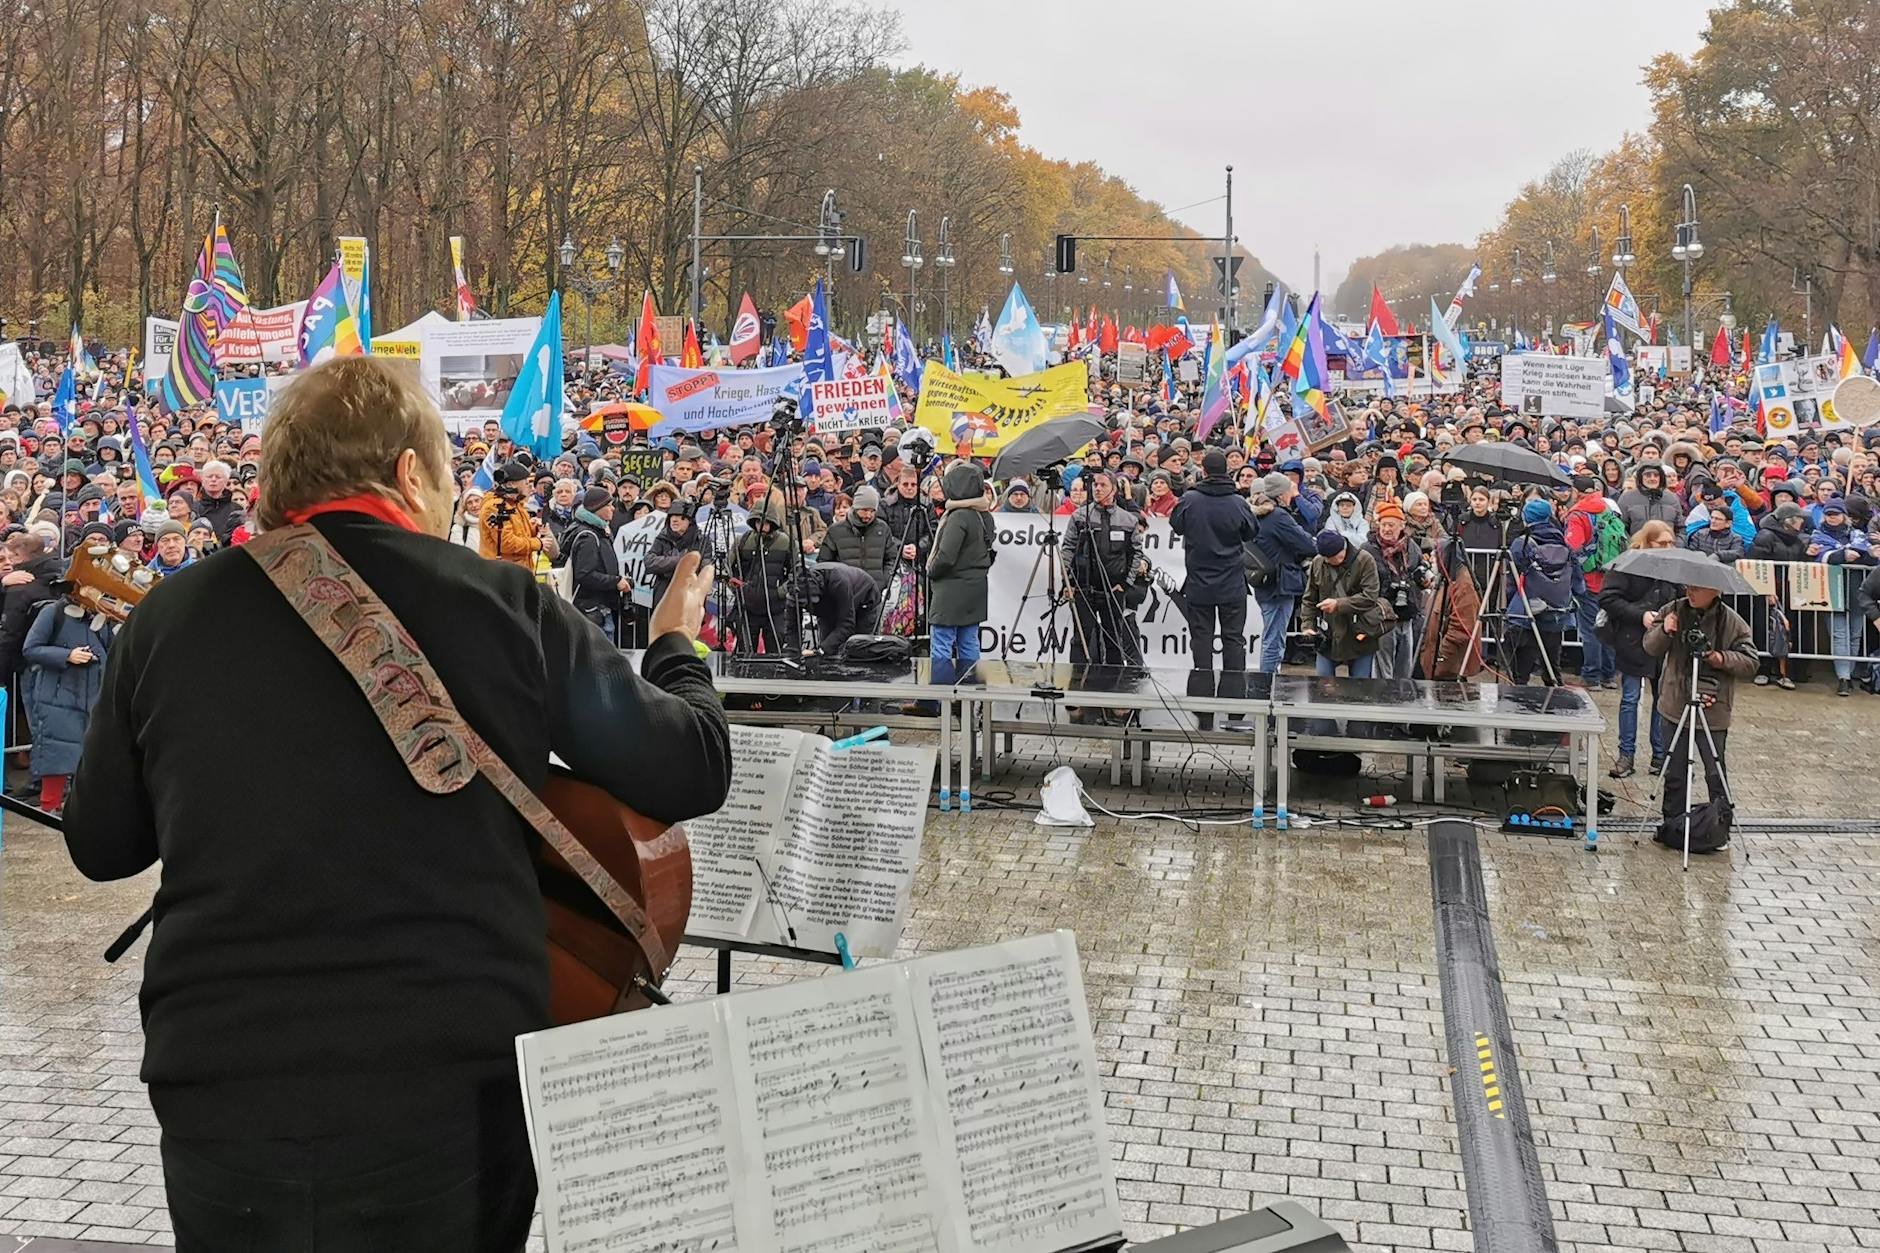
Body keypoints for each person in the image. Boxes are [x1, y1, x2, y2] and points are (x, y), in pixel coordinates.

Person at [62, 357, 732, 1253]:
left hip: (223, 1081)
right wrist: (676, 643)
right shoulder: (505, 605)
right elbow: (691, 767)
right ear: (410, 474)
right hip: (450, 1088)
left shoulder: (166, 618)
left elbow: (103, 843)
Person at [1641, 579, 1758, 849]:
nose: (1690, 592)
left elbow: (1751, 662)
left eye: (1698, 587)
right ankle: (1673, 825)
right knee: (1675, 770)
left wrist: (1718, 658)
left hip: (1713, 708)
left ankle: (1720, 828)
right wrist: (1665, 630)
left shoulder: (1733, 622)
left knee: (1715, 770)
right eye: (1688, 587)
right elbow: (1650, 647)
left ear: (1715, 590)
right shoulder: (1672, 609)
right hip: (1674, 705)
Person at [1170, 449, 1257, 719]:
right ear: (1227, 471)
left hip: (1199, 583)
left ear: (1204, 471)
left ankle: (1203, 706)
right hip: (1232, 583)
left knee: (1202, 640)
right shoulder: (1237, 502)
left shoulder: (1190, 499)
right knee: (1233, 641)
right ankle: (1234, 707)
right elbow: (1252, 531)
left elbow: (1176, 525)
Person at [20, 584, 113, 812]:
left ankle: (85, 811)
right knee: (56, 756)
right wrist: (67, 655)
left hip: (93, 696)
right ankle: (49, 807)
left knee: (92, 758)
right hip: (57, 696)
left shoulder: (103, 616)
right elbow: (31, 649)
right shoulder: (53, 612)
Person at [1599, 520, 1678, 778]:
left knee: (1662, 701)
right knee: (1630, 699)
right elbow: (1608, 598)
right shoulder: (1627, 564)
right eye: (1661, 543)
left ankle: (1659, 755)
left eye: (1670, 543)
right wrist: (1641, 614)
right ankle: (1626, 755)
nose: (1667, 547)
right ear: (1648, 541)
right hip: (1633, 639)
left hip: (1664, 640)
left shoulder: (1674, 567)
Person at [1060, 470, 1141, 669]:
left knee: (1113, 639)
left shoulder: (1128, 520)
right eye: (1095, 485)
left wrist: (1125, 584)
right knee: (1082, 638)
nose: (1097, 488)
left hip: (1113, 590)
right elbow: (1067, 550)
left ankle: (1113, 688)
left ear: (1114, 489)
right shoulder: (1080, 516)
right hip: (1083, 589)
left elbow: (1135, 555)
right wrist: (1067, 583)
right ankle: (1079, 687)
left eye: (1103, 485)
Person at [927, 461, 995, 680]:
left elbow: (946, 556)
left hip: (951, 589)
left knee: (942, 645)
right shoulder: (985, 515)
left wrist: (931, 570)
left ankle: (939, 701)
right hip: (975, 587)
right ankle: (968, 698)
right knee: (969, 643)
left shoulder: (958, 516)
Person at [1247, 471, 1318, 674]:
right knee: (1274, 639)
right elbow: (1306, 544)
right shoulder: (1278, 516)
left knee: (1271, 634)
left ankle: (1268, 679)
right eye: (1289, 489)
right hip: (1279, 583)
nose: (1291, 493)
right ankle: (1267, 686)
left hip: (1265, 582)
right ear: (1280, 493)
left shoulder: (1257, 513)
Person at [1504, 497, 1581, 685]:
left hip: (1525, 611)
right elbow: (1577, 580)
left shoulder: (1522, 543)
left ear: (1525, 517)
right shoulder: (1564, 543)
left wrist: (1510, 601)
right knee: (1552, 667)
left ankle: (1517, 706)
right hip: (1556, 613)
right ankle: (1553, 704)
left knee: (1520, 672)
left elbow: (1512, 579)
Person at [1808, 497, 1875, 696]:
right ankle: (1843, 677)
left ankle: (1850, 670)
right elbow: (1823, 557)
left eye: (1835, 514)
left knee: (1855, 632)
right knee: (1839, 633)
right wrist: (1842, 555)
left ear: (1844, 516)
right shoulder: (1818, 534)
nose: (1832, 518)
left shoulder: (1857, 533)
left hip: (1858, 589)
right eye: (1828, 514)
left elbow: (1867, 555)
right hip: (1831, 590)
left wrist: (1860, 554)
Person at [1564, 476, 1623, 688]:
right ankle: (1609, 676)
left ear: (1576, 492)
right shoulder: (1607, 509)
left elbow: (1572, 546)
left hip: (1588, 579)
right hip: (1611, 578)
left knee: (1590, 629)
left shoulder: (1578, 514)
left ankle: (1591, 677)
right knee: (1606, 626)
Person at [1303, 530, 1383, 678]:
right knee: (1322, 686)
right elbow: (1309, 599)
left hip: (1360, 633)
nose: (1330, 561)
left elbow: (1370, 596)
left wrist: (1338, 604)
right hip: (1328, 637)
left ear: (1344, 548)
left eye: (1334, 557)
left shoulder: (1365, 560)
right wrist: (1308, 626)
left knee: (1359, 688)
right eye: (1327, 558)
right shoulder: (1318, 562)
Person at [1363, 496, 1424, 680]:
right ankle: (1382, 700)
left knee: (1404, 665)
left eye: (1392, 525)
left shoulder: (1411, 547)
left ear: (1401, 526)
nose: (1387, 529)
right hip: (1382, 614)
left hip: (1407, 613)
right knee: (1383, 666)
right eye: (1384, 524)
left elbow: (1419, 570)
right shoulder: (1369, 549)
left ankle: (1401, 699)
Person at [561, 485, 624, 639]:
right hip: (593, 610)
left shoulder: (596, 530)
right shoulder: (588, 536)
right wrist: (615, 582)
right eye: (608, 505)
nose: (612, 509)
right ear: (597, 508)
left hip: (596, 607)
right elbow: (585, 575)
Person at [1419, 537, 1485, 680]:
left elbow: (1461, 629)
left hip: (1450, 668)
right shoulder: (1447, 578)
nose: (1431, 559)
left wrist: (1441, 659)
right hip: (1439, 662)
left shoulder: (1463, 586)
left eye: (1435, 555)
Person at [479, 463, 558, 567]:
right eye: (526, 483)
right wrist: (538, 543)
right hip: (502, 574)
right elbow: (506, 543)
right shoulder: (495, 507)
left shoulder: (515, 505)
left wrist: (534, 528)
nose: (530, 487)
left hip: (518, 571)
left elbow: (520, 534)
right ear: (512, 484)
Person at [817, 484, 893, 590]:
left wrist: (885, 580)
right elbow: (824, 564)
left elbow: (891, 559)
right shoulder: (835, 531)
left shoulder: (883, 529)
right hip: (844, 592)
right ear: (856, 507)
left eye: (872, 511)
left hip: (876, 591)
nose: (868, 515)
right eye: (865, 510)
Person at [801, 559, 882, 655]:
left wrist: (821, 650)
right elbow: (792, 626)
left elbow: (847, 624)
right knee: (828, 647)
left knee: (860, 648)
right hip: (831, 603)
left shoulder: (839, 581)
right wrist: (795, 652)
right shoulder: (794, 592)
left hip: (865, 599)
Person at [643, 498, 708, 608]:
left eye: (679, 517)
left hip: (691, 594)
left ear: (690, 521)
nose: (674, 520)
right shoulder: (662, 538)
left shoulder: (701, 540)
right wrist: (680, 560)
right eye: (672, 516)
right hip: (664, 593)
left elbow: (706, 568)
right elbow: (649, 562)